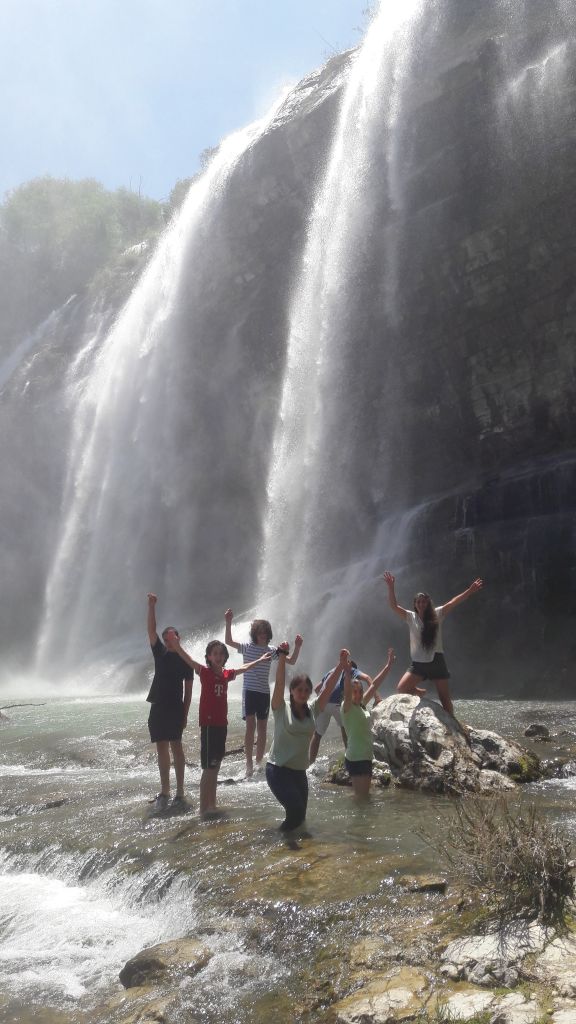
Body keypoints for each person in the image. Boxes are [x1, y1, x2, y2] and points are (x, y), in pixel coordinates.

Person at [173, 637, 271, 818]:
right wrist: (177, 645)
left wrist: (260, 660)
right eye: (215, 654)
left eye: (221, 654)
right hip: (209, 725)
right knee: (208, 769)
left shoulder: (226, 674)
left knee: (216, 767)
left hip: (221, 725)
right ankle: (203, 809)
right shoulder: (204, 672)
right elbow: (190, 660)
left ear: (225, 657)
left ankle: (212, 804)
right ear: (209, 657)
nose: (218, 657)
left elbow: (242, 668)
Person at [266, 645, 349, 833]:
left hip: (298, 772)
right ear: (292, 691)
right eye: (299, 690)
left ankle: (296, 851)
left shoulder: (313, 709)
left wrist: (341, 666)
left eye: (306, 690)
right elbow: (279, 684)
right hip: (278, 769)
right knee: (295, 812)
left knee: (301, 817)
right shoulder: (280, 707)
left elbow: (327, 689)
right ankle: (277, 844)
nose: (303, 693)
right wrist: (282, 658)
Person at [382, 571, 484, 716]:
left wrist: (470, 590)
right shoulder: (410, 617)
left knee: (445, 699)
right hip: (418, 664)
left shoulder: (437, 614)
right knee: (401, 689)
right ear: (415, 605)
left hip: (436, 661)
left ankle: (453, 724)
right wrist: (391, 587)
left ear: (428, 603)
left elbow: (452, 603)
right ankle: (419, 692)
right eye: (419, 602)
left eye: (424, 601)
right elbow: (393, 606)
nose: (421, 604)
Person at [224, 609, 303, 777]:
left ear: (268, 634)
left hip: (264, 693)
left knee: (263, 728)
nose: (262, 635)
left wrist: (297, 647)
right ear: (254, 634)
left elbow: (292, 661)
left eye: (265, 633)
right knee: (250, 727)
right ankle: (249, 764)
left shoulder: (273, 650)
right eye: (259, 633)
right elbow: (228, 641)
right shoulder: (247, 647)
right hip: (249, 691)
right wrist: (228, 621)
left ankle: (259, 762)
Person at [146, 593, 193, 812]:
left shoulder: (186, 661)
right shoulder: (161, 653)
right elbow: (151, 630)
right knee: (161, 748)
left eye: (173, 637)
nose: (169, 641)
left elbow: (189, 691)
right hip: (158, 705)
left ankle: (180, 791)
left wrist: (185, 714)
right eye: (167, 638)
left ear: (179, 638)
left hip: (175, 707)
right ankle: (165, 790)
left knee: (177, 747)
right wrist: (152, 606)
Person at [341, 648, 395, 799]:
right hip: (356, 758)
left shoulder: (361, 705)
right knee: (362, 799)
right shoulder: (347, 708)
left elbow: (375, 684)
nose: (357, 694)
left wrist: (388, 665)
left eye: (359, 691)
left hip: (365, 756)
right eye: (354, 691)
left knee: (363, 798)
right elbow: (346, 692)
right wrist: (346, 671)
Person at [308, 659, 373, 765]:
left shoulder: (332, 671)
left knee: (318, 734)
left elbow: (316, 689)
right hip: (337, 703)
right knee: (345, 727)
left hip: (323, 702)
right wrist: (377, 698)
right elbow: (367, 678)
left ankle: (310, 762)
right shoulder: (352, 669)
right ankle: (350, 758)